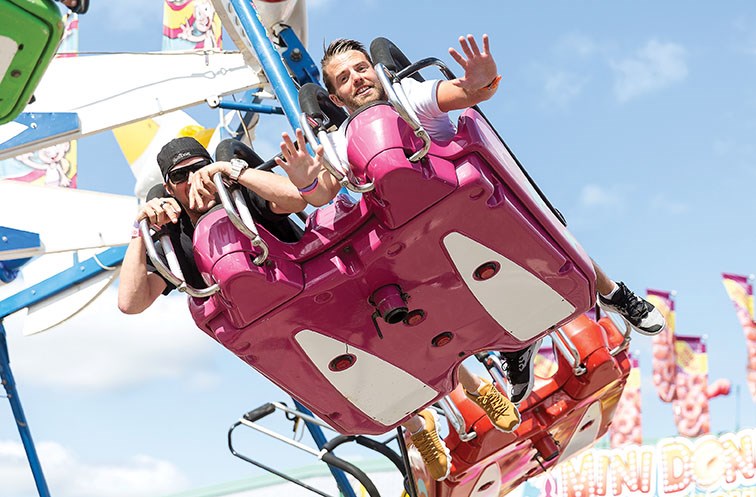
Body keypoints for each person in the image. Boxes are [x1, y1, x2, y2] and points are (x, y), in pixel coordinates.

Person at [275, 33, 667, 473]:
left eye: (361, 68)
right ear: (334, 96)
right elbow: (322, 191)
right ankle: (500, 361)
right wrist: (306, 180)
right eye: (344, 79)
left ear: (374, 69)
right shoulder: (341, 139)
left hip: (468, 205)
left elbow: (465, 92)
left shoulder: (409, 95)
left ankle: (614, 295)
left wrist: (480, 80)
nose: (357, 80)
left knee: (546, 232)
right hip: (420, 243)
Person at [118, 136, 305, 314]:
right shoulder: (177, 242)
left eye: (200, 168)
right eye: (179, 176)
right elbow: (131, 303)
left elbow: (297, 199)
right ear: (170, 190)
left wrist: (230, 169)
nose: (193, 180)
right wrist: (140, 229)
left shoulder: (242, 196)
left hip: (306, 286)